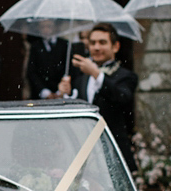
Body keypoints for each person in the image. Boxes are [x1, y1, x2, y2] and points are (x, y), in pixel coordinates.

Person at [57, 22, 138, 171]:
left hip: (113, 152)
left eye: (102, 42)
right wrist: (64, 93)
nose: (96, 47)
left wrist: (96, 74)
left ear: (115, 46)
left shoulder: (126, 76)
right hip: (85, 155)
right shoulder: (81, 77)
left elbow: (122, 97)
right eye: (92, 42)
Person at [26, 19, 81, 100]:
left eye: (49, 26)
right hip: (40, 96)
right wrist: (45, 92)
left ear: (55, 27)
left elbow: (70, 69)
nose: (46, 29)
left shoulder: (65, 44)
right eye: (42, 27)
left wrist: (60, 91)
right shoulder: (35, 46)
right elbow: (32, 72)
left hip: (62, 94)